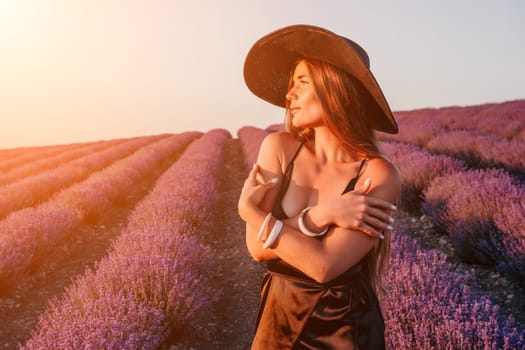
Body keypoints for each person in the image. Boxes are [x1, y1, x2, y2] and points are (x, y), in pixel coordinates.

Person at [238, 24, 401, 349]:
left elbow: (324, 266)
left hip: (344, 327)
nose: (289, 96)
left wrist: (252, 212)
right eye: (290, 85)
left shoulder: (378, 174)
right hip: (278, 317)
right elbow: (256, 250)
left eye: (301, 82)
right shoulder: (279, 148)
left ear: (335, 87)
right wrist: (323, 214)